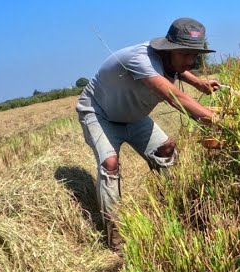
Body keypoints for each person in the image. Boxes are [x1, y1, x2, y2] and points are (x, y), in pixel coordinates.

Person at [76, 17, 220, 241]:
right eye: (185, 54)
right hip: (100, 112)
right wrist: (218, 120)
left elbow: (177, 67)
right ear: (169, 48)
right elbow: (174, 97)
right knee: (110, 164)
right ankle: (116, 237)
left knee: (167, 149)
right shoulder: (141, 59)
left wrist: (198, 83)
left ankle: (177, 205)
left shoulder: (172, 60)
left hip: (133, 116)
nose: (190, 60)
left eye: (195, 55)